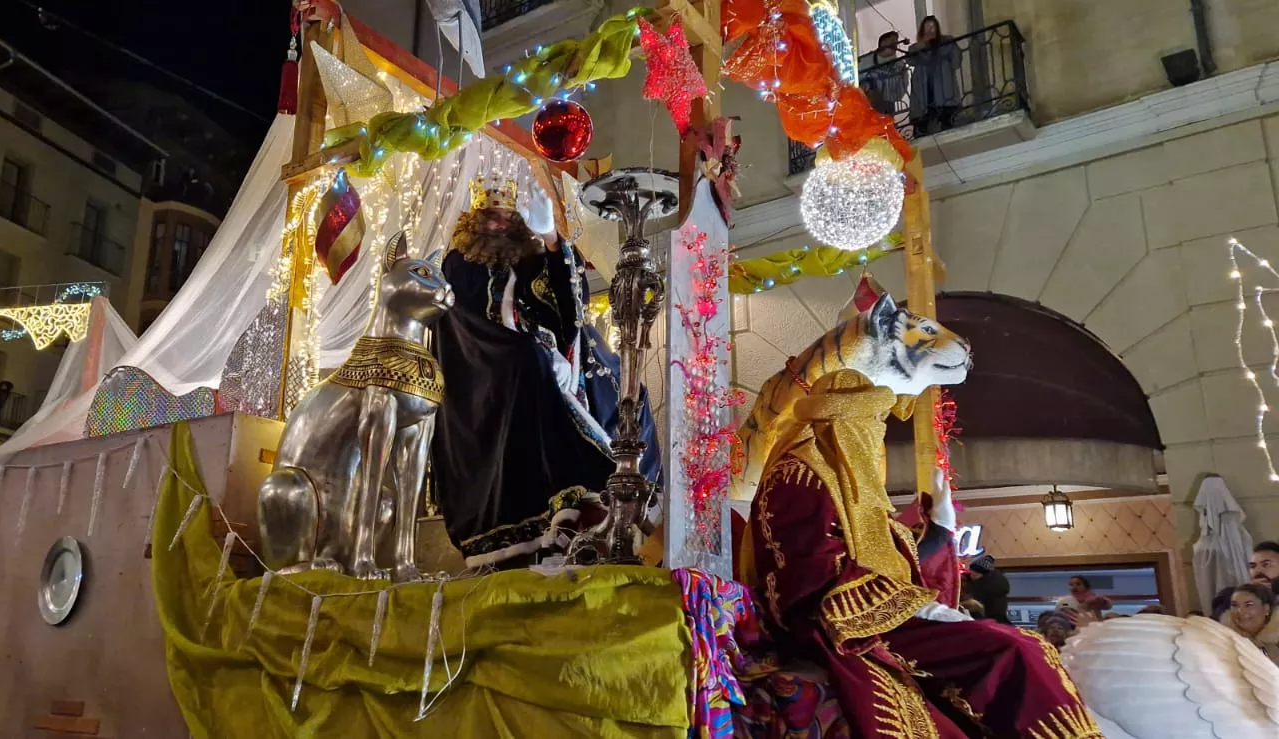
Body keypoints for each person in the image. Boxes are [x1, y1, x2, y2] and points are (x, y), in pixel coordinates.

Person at [745, 370, 1095, 737]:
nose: (876, 435)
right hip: (845, 622)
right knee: (1015, 650)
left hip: (882, 613)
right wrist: (916, 606)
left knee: (1026, 645)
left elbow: (883, 556)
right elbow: (808, 575)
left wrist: (938, 531)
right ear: (844, 422)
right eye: (871, 422)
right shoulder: (800, 476)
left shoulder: (843, 476)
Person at [430, 176, 662, 567]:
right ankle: (565, 494)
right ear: (476, 223)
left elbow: (570, 308)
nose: (501, 225)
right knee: (528, 359)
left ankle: (628, 486)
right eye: (491, 219)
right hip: (487, 364)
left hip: (548, 353)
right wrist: (527, 343)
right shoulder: (459, 262)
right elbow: (464, 324)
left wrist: (553, 240)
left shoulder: (527, 256)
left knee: (625, 384)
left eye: (507, 218)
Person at [907, 15, 961, 134]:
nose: (930, 30)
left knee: (948, 125)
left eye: (932, 26)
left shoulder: (947, 42)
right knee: (924, 125)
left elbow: (956, 62)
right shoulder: (916, 48)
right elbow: (910, 60)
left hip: (944, 89)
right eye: (927, 27)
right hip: (924, 88)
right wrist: (921, 46)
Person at [1219, 583, 1279, 666]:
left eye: (1248, 605)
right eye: (1234, 605)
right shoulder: (1224, 639)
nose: (1239, 611)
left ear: (1266, 609)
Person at [862, 30, 908, 116]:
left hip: (888, 106)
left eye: (896, 42)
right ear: (882, 43)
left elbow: (902, 87)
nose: (895, 45)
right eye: (891, 41)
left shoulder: (900, 65)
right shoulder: (866, 60)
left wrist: (890, 97)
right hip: (868, 104)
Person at [963, 554, 1011, 623]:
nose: (970, 573)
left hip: (989, 620)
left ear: (979, 573)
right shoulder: (994, 581)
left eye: (972, 571)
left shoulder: (986, 586)